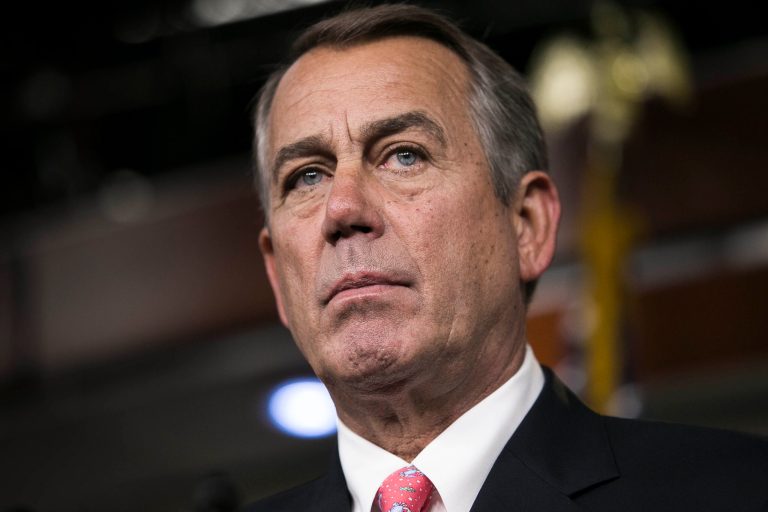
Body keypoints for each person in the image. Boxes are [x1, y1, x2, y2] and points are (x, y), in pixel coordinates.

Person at [247, 4, 768, 511]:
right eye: (307, 176)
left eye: (404, 155)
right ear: (276, 275)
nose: (342, 207)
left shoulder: (740, 490)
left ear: (528, 226)